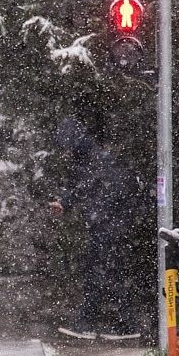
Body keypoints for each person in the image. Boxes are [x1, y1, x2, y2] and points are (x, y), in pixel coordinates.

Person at [49, 118, 141, 341]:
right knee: (108, 272)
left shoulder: (91, 159)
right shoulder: (92, 157)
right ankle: (122, 325)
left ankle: (94, 323)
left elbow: (89, 186)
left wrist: (69, 202)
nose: (64, 152)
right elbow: (88, 186)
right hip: (108, 222)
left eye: (65, 146)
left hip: (107, 223)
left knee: (100, 273)